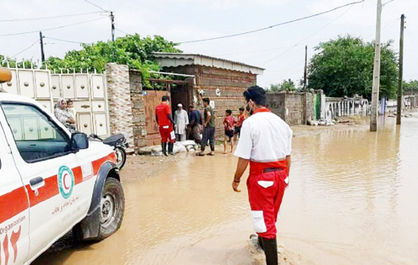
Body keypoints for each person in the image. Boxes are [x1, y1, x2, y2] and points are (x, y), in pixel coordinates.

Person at [232, 86, 292, 265]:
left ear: (251, 102)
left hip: (262, 178)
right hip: (282, 175)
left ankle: (271, 261)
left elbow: (244, 157)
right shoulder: (281, 122)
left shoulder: (250, 123)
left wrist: (236, 179)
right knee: (270, 216)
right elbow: (288, 156)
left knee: (263, 219)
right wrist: (285, 178)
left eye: (246, 103)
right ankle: (260, 243)